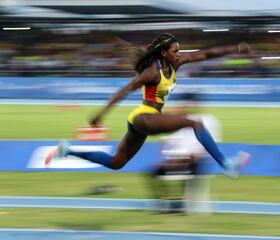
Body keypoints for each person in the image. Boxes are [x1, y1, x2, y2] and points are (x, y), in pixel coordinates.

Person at [51, 33, 251, 178]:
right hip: (144, 117)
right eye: (175, 51)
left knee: (116, 163)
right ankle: (227, 165)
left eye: (179, 51)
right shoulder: (152, 73)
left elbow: (206, 54)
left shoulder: (175, 64)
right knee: (195, 123)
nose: (179, 54)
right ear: (164, 53)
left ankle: (67, 150)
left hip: (144, 120)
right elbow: (125, 89)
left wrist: (236, 49)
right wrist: (101, 114)